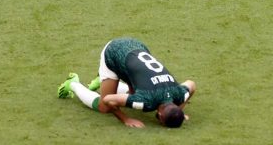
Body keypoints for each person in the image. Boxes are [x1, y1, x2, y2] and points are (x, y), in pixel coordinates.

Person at [57, 37, 196, 128]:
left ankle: (105, 81)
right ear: (159, 115)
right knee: (104, 108)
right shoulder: (145, 101)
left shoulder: (179, 93)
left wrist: (179, 111)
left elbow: (191, 84)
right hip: (114, 52)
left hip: (138, 46)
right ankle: (73, 84)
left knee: (133, 92)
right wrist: (125, 119)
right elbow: (107, 100)